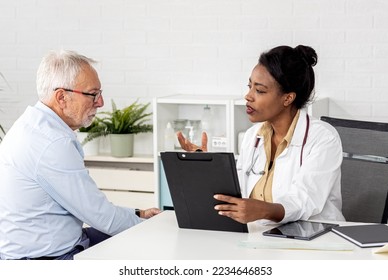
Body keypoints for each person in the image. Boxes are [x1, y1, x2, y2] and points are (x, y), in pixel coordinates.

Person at [0, 50, 161, 260]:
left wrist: (137, 214)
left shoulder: (30, 124)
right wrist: (156, 229)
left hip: (40, 248)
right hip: (47, 260)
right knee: (152, 249)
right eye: (92, 94)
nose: (101, 102)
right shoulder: (52, 143)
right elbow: (102, 217)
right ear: (61, 97)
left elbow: (93, 210)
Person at [177, 45, 345, 226]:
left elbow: (305, 200)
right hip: (263, 238)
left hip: (314, 239)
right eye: (250, 87)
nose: (248, 96)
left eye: (260, 90)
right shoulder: (253, 136)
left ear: (288, 98)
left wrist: (263, 209)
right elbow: (237, 194)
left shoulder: (323, 138)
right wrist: (204, 167)